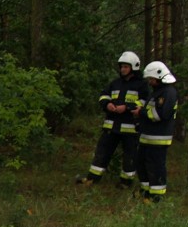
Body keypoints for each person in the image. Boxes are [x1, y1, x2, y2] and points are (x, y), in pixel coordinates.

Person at [76, 51, 149, 187]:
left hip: (130, 128)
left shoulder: (142, 85)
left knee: (130, 156)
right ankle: (92, 179)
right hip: (111, 125)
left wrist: (127, 107)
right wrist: (107, 104)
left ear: (133, 67)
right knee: (102, 152)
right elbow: (103, 95)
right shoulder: (115, 83)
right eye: (121, 66)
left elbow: (145, 102)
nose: (122, 69)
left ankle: (126, 182)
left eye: (126, 67)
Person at [134, 61, 178, 202]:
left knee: (156, 167)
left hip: (159, 138)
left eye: (151, 79)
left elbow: (161, 114)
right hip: (147, 136)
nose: (150, 82)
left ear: (159, 76)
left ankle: (156, 196)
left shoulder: (169, 92)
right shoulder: (158, 92)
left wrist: (141, 113)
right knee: (141, 164)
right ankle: (146, 191)